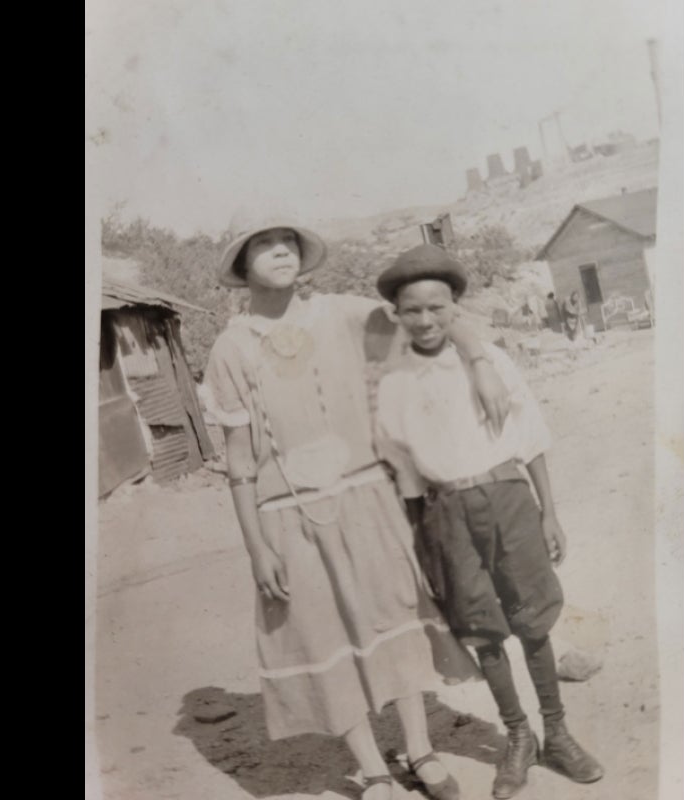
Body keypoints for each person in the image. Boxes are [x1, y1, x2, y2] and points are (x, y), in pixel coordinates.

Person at [204, 212, 510, 800]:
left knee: (393, 621)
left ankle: (419, 751)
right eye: (262, 245)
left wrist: (478, 364)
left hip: (368, 496)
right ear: (243, 268)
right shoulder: (231, 349)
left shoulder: (345, 314)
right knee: (321, 635)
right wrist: (255, 548)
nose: (280, 251)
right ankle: (371, 769)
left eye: (286, 240)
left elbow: (436, 318)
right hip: (289, 514)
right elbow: (239, 462)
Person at [373, 244, 605, 799]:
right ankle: (519, 736)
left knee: (532, 619)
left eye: (437, 308)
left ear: (455, 307)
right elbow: (404, 479)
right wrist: (422, 550)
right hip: (444, 514)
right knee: (482, 626)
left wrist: (550, 513)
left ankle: (558, 732)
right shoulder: (393, 383)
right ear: (397, 315)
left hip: (507, 499)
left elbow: (532, 440)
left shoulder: (490, 362)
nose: (426, 320)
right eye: (413, 311)